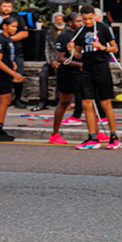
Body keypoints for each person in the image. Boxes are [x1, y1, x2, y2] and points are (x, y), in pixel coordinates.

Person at [68, 4, 120, 150]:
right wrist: (72, 51)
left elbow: (115, 48)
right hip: (87, 67)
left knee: (105, 103)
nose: (87, 21)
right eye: (84, 19)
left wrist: (102, 47)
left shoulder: (103, 28)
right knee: (86, 103)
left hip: (101, 67)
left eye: (90, 18)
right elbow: (79, 54)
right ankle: (92, 137)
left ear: (95, 16)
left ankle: (113, 136)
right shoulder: (79, 31)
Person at [49, 15, 84, 145]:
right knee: (64, 103)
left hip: (82, 73)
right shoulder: (64, 36)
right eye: (78, 21)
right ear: (70, 22)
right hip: (68, 73)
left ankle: (95, 133)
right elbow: (60, 58)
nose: (81, 23)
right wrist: (79, 64)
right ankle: (55, 133)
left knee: (89, 101)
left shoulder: (84, 34)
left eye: (82, 21)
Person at [0, 17, 26, 141]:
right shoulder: (0, 39)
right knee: (5, 101)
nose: (15, 29)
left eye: (16, 27)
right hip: (2, 74)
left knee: (7, 100)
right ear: (5, 26)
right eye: (13, 26)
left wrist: (12, 63)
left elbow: (7, 56)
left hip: (6, 72)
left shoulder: (8, 39)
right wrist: (13, 74)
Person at [0, 0, 28, 108]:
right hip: (0, 51)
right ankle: (4, 100)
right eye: (4, 6)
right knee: (2, 76)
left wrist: (8, 40)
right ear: (0, 6)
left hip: (16, 51)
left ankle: (17, 99)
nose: (7, 8)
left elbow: (24, 33)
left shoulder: (17, 17)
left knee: (18, 73)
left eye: (9, 6)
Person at [32, 13, 65, 111]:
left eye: (61, 19)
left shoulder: (68, 31)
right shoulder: (50, 32)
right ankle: (43, 101)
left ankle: (59, 100)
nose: (59, 22)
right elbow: (48, 49)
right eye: (57, 20)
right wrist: (52, 61)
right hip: (52, 60)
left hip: (64, 61)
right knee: (43, 74)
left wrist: (61, 61)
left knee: (61, 73)